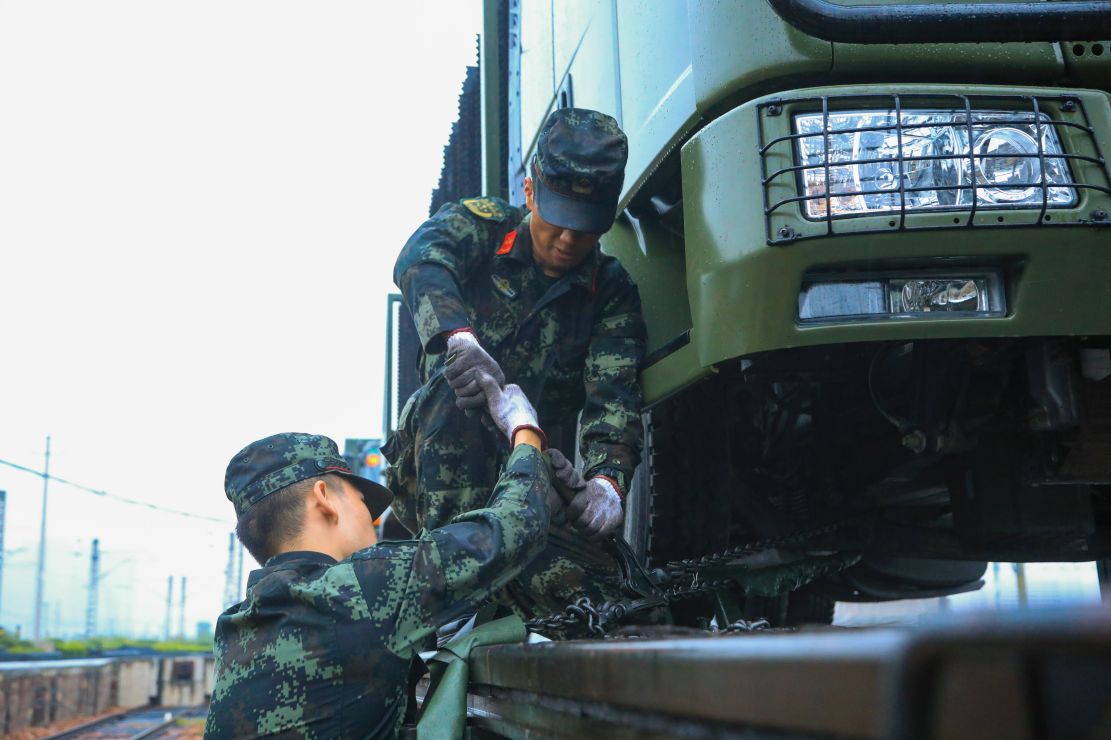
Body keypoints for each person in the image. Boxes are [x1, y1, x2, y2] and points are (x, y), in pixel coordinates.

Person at [386, 109, 645, 619]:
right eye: (557, 220)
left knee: (618, 599)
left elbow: (613, 398)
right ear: (529, 194)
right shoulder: (479, 229)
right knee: (460, 386)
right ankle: (450, 588)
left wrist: (606, 485)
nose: (568, 241)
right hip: (435, 467)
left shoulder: (611, 292)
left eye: (586, 227)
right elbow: (420, 259)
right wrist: (458, 338)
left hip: (529, 475)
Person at [205, 377, 551, 739]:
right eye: (361, 501)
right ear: (323, 497)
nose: (371, 519)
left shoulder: (233, 630)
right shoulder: (365, 585)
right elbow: (517, 525)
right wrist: (526, 434)